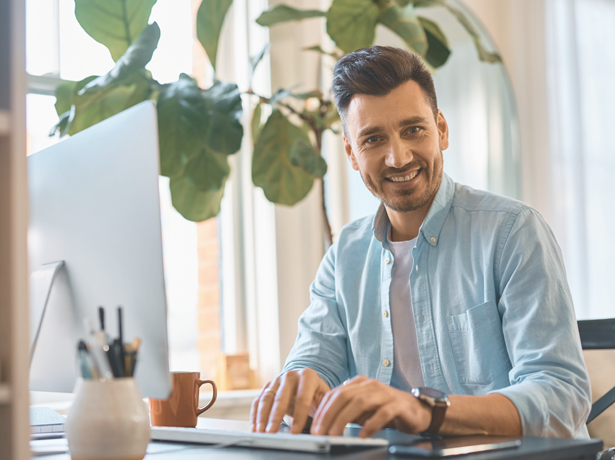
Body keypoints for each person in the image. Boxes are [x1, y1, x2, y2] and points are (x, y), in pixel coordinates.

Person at [250, 46, 591, 440]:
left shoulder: (514, 232)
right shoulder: (345, 254)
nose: (397, 157)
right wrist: (297, 385)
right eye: (374, 139)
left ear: (441, 130)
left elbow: (561, 396)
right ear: (352, 153)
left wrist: (425, 410)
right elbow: (313, 363)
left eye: (414, 130)